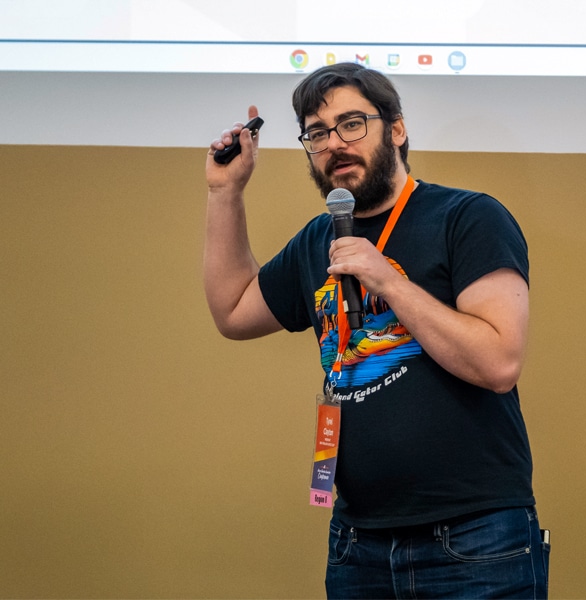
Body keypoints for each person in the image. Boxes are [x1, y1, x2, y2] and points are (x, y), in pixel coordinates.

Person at [204, 62, 548, 599]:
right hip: (357, 542)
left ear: (397, 129)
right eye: (317, 133)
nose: (335, 143)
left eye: (352, 124)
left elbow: (498, 362)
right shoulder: (319, 239)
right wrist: (226, 193)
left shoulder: (468, 217)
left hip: (474, 541)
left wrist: (387, 279)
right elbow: (232, 311)